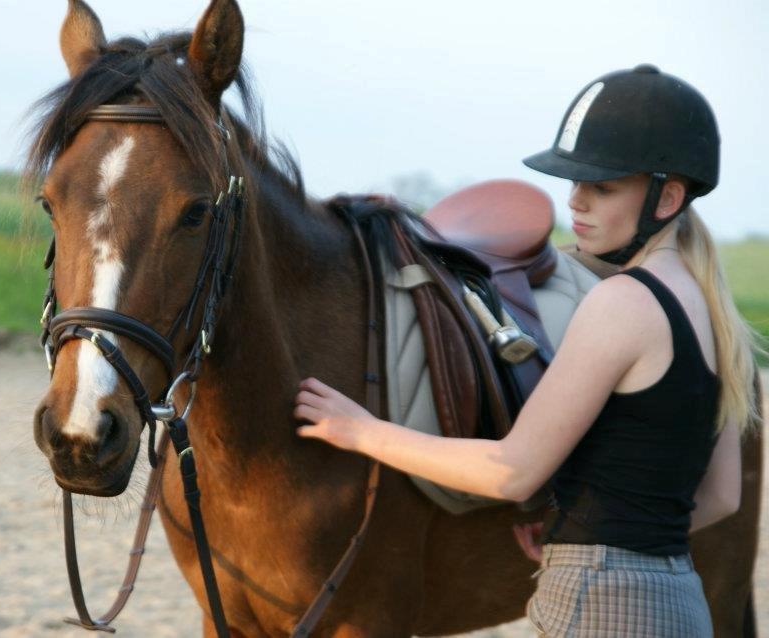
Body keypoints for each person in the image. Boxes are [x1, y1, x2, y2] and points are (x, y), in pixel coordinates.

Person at [294, 64, 764, 636]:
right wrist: (590, 531)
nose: (576, 203)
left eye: (603, 187)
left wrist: (361, 431)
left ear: (667, 197)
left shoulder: (622, 303)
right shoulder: (709, 307)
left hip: (600, 608)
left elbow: (512, 472)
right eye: (575, 184)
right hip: (676, 602)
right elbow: (720, 496)